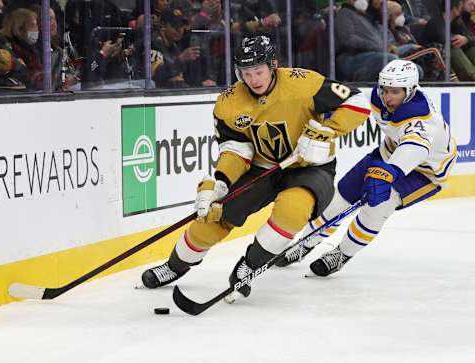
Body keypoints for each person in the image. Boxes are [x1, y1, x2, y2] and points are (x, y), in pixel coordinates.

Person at [140, 35, 371, 298]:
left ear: (273, 65)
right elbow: (236, 148)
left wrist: (323, 132)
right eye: (246, 73)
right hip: (261, 168)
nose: (253, 79)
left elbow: (356, 102)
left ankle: (248, 267)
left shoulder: (303, 83)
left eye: (259, 71)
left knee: (292, 211)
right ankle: (175, 266)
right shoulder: (229, 103)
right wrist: (222, 181)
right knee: (212, 217)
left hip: (309, 168)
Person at [277, 60, 457, 276]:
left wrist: (389, 174)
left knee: (379, 206)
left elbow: (414, 148)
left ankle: (342, 254)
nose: (387, 97)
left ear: (410, 91)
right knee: (339, 198)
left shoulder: (422, 120)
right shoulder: (378, 97)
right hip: (387, 152)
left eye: (395, 92)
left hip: (426, 172)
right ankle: (306, 243)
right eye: (385, 89)